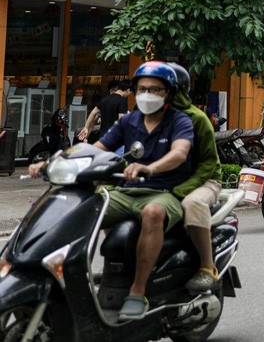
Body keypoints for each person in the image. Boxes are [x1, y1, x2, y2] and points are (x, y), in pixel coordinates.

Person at [31, 61, 195, 320]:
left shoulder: (179, 121)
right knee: (82, 209)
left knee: (153, 213)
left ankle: (137, 291)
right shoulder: (130, 121)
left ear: (168, 94)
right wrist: (51, 162)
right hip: (127, 191)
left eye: (155, 89)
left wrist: (150, 168)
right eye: (141, 89)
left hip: (164, 191)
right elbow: (94, 148)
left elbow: (179, 153)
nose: (146, 94)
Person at [166, 63, 223, 295]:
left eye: (160, 89)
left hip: (205, 180)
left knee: (192, 203)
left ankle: (207, 267)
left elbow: (208, 164)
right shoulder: (150, 118)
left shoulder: (197, 119)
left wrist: (180, 189)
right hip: (167, 181)